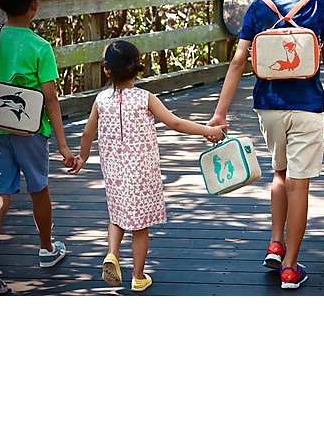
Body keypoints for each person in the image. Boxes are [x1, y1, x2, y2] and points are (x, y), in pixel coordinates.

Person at [208, 0, 324, 289]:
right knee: (299, 184)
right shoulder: (317, 6)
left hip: (268, 107)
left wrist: (220, 112)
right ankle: (289, 266)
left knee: (280, 173)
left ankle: (274, 242)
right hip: (307, 108)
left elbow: (239, 60)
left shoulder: (258, 8)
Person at [69, 40, 226, 292]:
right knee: (140, 225)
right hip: (142, 172)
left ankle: (112, 254)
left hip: (114, 172)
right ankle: (138, 276)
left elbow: (87, 134)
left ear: (106, 70)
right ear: (136, 68)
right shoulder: (145, 98)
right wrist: (209, 131)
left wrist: (83, 158)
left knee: (117, 215)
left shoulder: (100, 100)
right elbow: (175, 124)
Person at [0, 0, 75, 294]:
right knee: (39, 189)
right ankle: (46, 249)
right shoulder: (40, 46)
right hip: (31, 132)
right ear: (35, 5)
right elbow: (51, 99)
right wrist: (62, 144)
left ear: (0, 4)